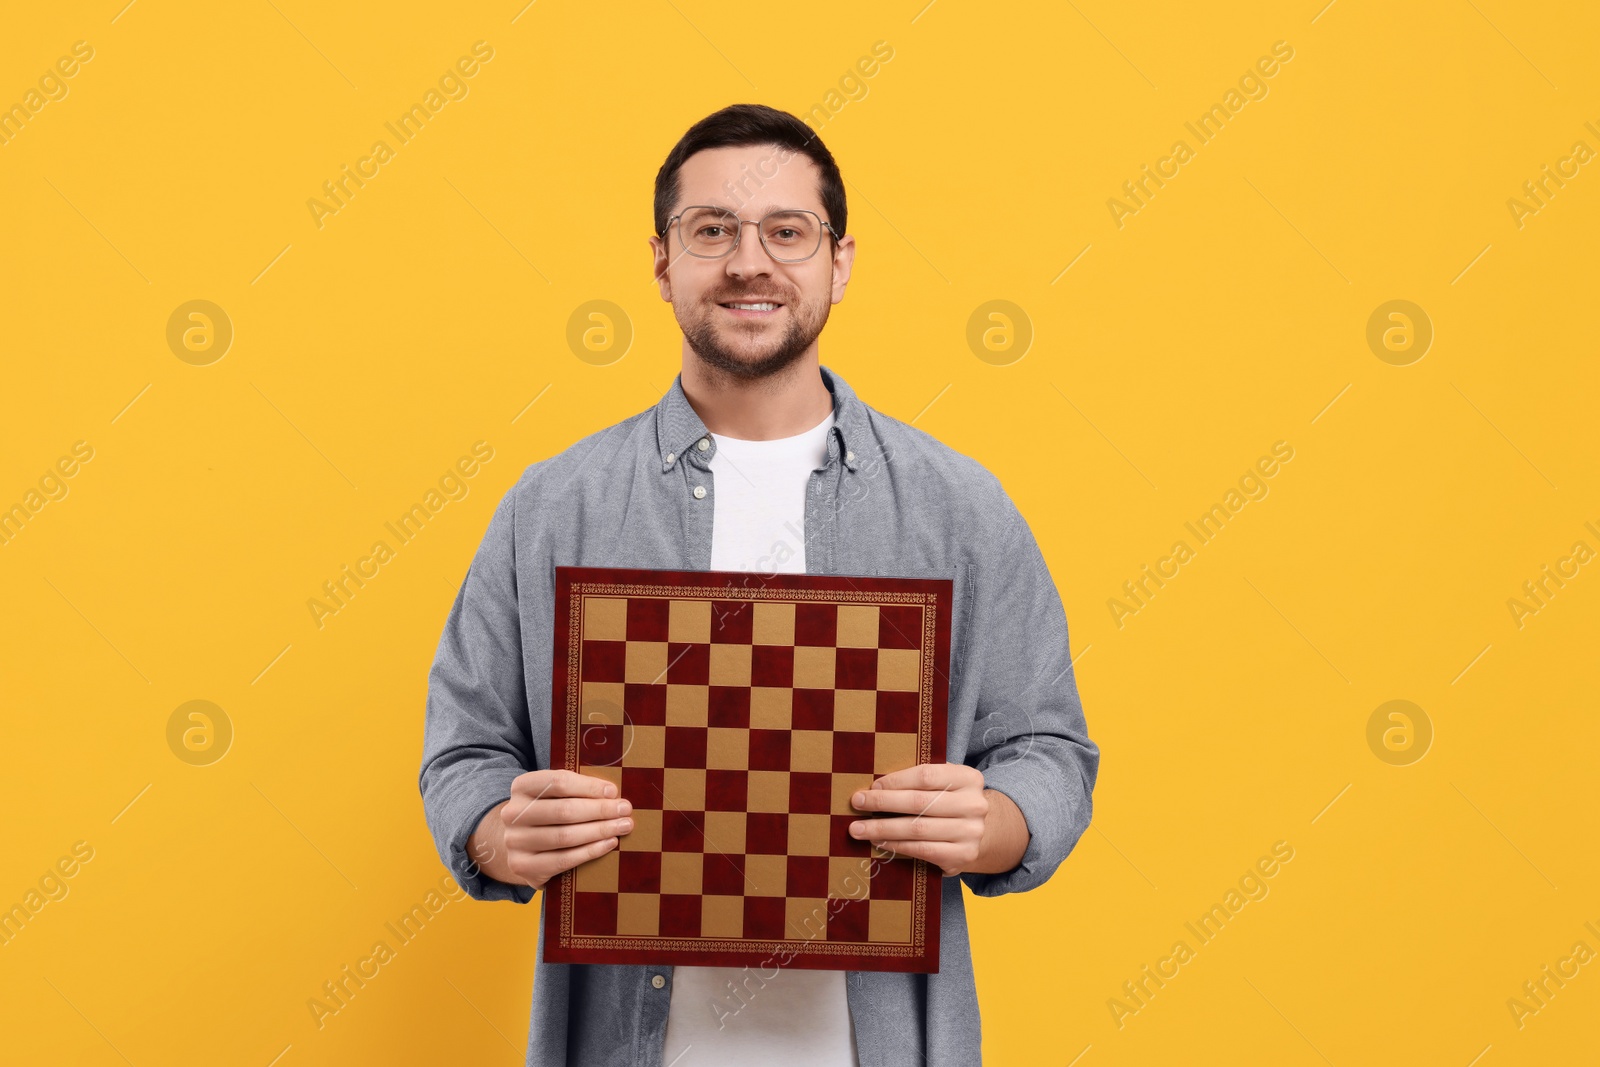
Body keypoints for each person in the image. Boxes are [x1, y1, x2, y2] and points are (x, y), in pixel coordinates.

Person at [418, 102, 1099, 1066]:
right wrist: (493, 832)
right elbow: (466, 750)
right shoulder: (551, 508)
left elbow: (1051, 748)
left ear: (840, 261)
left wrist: (997, 820)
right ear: (662, 262)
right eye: (712, 231)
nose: (750, 261)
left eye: (788, 231)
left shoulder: (961, 507)